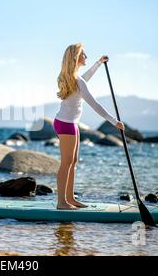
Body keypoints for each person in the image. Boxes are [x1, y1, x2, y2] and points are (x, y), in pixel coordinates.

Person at [54, 43, 125, 210]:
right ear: (76, 58)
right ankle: (61, 202)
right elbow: (95, 105)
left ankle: (70, 198)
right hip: (66, 125)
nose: (86, 55)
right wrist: (114, 122)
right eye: (83, 54)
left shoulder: (75, 78)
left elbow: (85, 78)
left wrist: (99, 64)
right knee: (66, 163)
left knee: (73, 162)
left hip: (69, 124)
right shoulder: (77, 81)